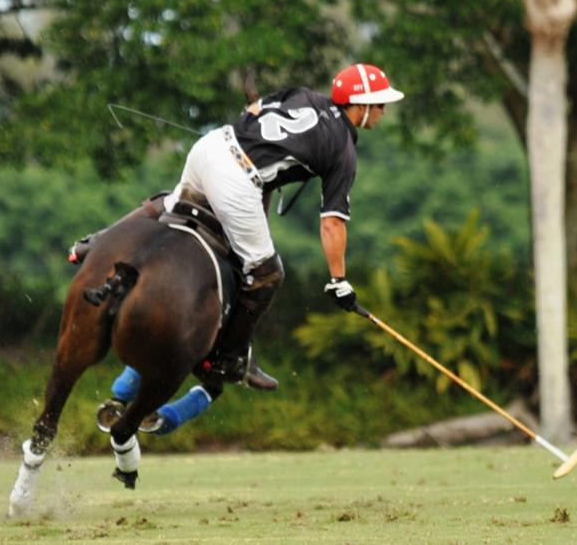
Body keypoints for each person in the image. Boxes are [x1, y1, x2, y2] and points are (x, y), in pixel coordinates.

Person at [166, 63, 404, 391]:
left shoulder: (305, 95)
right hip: (237, 178)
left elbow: (253, 109)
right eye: (380, 104)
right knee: (267, 273)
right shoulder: (343, 150)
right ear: (360, 106)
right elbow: (333, 223)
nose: (384, 111)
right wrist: (339, 280)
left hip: (210, 146)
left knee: (174, 221)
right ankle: (228, 358)